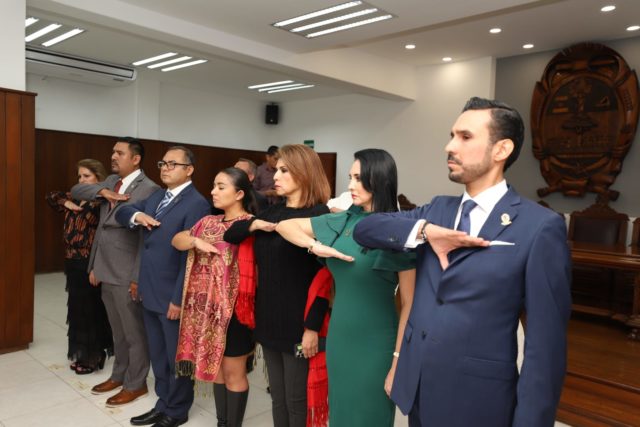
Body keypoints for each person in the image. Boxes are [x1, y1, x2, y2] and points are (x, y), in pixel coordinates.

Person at [352, 97, 572, 427]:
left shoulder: (539, 226)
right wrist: (426, 231)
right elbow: (366, 229)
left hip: (478, 400)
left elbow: (546, 349)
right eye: (452, 135)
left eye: (465, 137)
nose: (449, 147)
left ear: (502, 150)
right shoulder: (437, 210)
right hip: (420, 391)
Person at [275, 149, 416, 426]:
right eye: (350, 177)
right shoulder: (344, 220)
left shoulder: (398, 230)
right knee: (340, 414)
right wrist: (316, 246)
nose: (350, 185)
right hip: (340, 338)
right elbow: (285, 226)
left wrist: (398, 360)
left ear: (379, 179)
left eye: (359, 178)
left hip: (377, 342)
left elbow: (410, 303)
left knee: (369, 415)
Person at [224, 145, 331, 427]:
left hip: (300, 323)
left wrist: (312, 328)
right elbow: (231, 233)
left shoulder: (319, 215)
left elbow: (325, 279)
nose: (275, 176)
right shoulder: (273, 212)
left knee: (296, 401)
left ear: (303, 173)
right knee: (278, 398)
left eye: (284, 170)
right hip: (269, 318)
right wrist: (254, 225)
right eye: (277, 170)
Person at [115, 146, 210, 427]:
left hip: (172, 295)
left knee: (175, 356)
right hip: (150, 290)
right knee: (158, 355)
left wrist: (179, 299)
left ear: (189, 170)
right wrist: (137, 216)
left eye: (173, 164)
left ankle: (177, 410)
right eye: (163, 163)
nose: (165, 168)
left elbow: (190, 258)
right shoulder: (157, 196)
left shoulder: (197, 204)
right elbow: (124, 211)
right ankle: (163, 403)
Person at [71, 137, 159, 407]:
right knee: (117, 331)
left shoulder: (150, 189)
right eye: (113, 152)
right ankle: (119, 375)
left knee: (134, 333)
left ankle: (136, 383)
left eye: (120, 153)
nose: (113, 156)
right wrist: (103, 192)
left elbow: (146, 239)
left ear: (136, 159)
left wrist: (137, 276)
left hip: (127, 271)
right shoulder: (110, 181)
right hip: (105, 268)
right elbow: (77, 190)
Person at [172, 167, 258, 427]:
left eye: (221, 187)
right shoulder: (208, 221)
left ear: (239, 193)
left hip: (235, 312)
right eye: (213, 185)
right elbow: (177, 239)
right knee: (216, 369)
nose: (213, 192)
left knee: (234, 372)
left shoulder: (250, 225)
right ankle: (223, 422)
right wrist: (195, 242)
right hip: (205, 311)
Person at [46, 159, 113, 375]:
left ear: (98, 178)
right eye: (80, 176)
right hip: (72, 261)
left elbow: (104, 240)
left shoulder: (101, 202)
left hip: (89, 262)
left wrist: (97, 267)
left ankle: (94, 356)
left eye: (87, 176)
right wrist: (66, 203)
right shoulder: (74, 197)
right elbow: (51, 196)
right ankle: (83, 353)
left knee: (91, 310)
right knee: (76, 310)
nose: (81, 180)